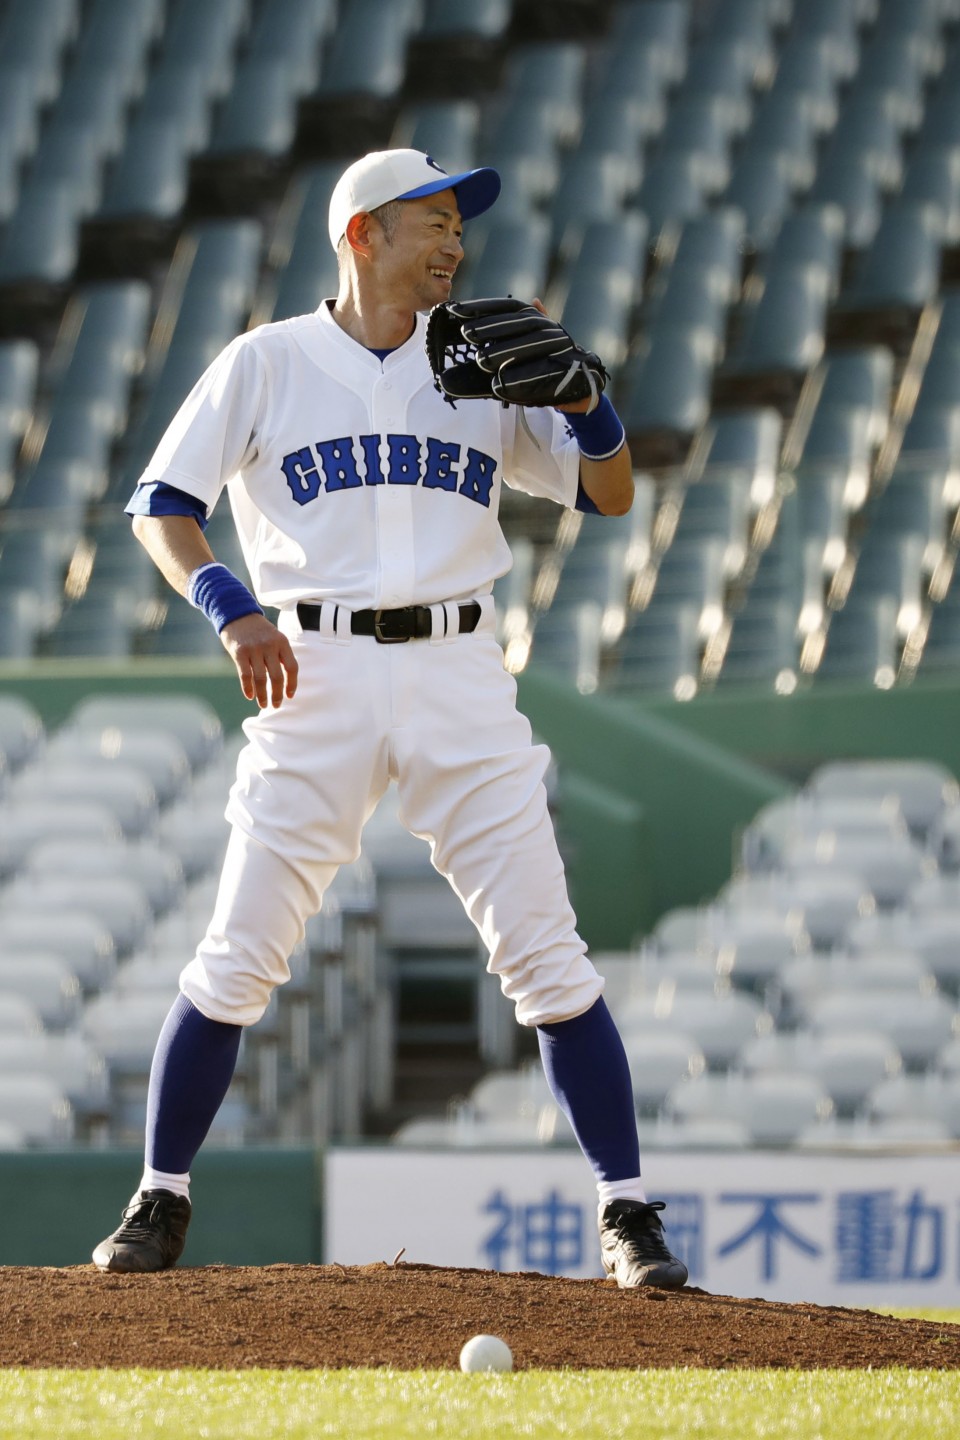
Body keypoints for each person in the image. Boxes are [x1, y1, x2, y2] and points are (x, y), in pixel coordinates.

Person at [92, 148, 687, 1290]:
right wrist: (232, 610)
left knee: (545, 952)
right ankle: (159, 1196)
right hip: (310, 670)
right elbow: (163, 505)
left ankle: (628, 1214)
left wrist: (585, 404)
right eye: (435, 220)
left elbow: (608, 494)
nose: (456, 241)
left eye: (461, 224)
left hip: (461, 670)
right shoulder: (266, 363)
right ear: (363, 232)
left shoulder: (481, 362)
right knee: (240, 952)